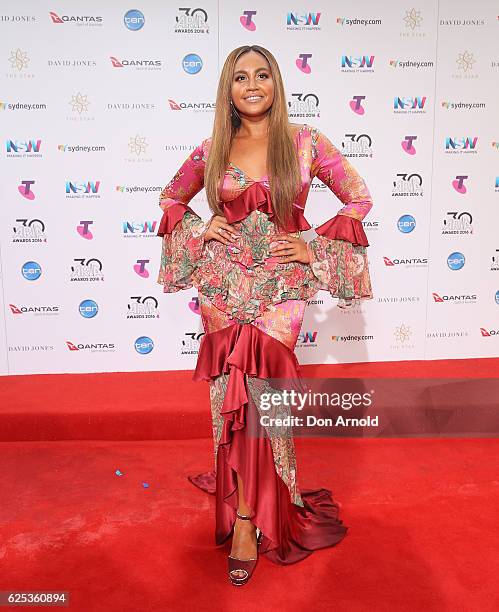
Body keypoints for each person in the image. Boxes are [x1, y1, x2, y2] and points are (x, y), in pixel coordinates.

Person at [157, 44, 373, 586]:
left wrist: (312, 244)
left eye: (261, 75)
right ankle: (243, 517)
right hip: (223, 286)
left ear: (276, 83)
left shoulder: (305, 142)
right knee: (226, 399)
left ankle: (260, 510)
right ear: (227, 91)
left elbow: (358, 198)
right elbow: (171, 199)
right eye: (239, 78)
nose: (251, 85)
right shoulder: (213, 147)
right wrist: (198, 229)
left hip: (280, 288)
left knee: (265, 399)